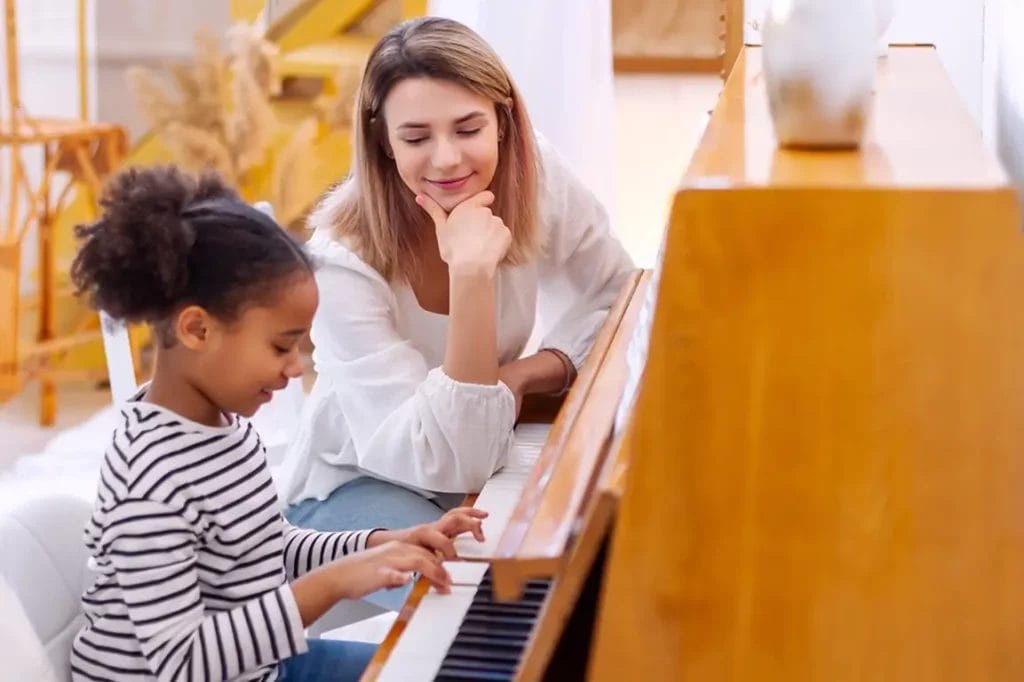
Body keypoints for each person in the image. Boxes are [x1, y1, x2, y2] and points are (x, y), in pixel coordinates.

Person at [66, 166, 487, 682]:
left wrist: (383, 542)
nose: (295, 367)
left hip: (262, 667)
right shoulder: (150, 479)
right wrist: (332, 584)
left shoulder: (225, 431)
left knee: (437, 671)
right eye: (281, 346)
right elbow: (182, 663)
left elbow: (268, 548)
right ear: (198, 329)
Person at [280, 16, 634, 545]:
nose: (447, 159)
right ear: (384, 143)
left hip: (481, 451)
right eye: (416, 137)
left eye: (468, 129)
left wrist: (523, 375)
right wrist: (470, 275)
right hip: (358, 489)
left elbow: (618, 295)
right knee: (491, 590)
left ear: (503, 121)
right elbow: (453, 462)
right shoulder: (342, 263)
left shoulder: (532, 173)